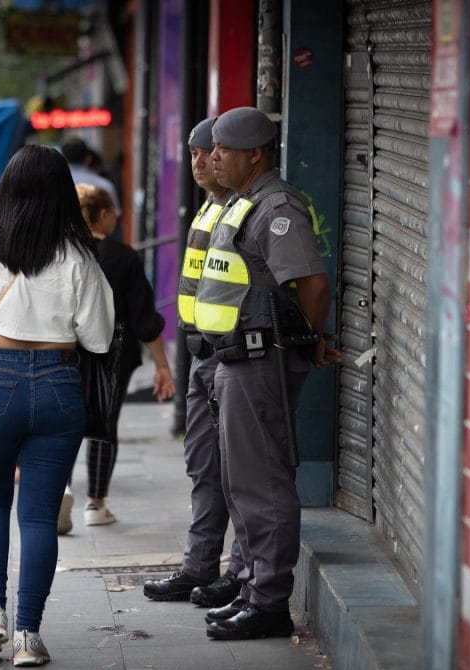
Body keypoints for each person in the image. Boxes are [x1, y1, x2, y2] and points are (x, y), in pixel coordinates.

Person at [0, 146, 114, 666]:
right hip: (60, 384)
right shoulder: (80, 256)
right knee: (39, 516)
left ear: (8, 189)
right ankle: (28, 636)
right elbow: (99, 337)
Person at [193, 107, 340, 640]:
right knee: (241, 480)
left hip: (262, 359)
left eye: (223, 150)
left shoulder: (277, 206)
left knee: (264, 482)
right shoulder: (241, 203)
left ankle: (270, 601)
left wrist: (311, 338)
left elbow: (313, 284)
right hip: (233, 359)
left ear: (254, 154)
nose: (212, 158)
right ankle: (253, 586)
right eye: (211, 149)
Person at [142, 117, 246, 609]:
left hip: (235, 359)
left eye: (210, 152)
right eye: (195, 153)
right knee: (203, 466)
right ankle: (199, 566)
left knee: (241, 473)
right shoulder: (209, 209)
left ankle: (240, 573)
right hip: (201, 357)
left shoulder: (245, 210)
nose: (202, 162)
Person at [66, 183, 175, 531]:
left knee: (64, 423)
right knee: (104, 423)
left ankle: (59, 492)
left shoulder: (65, 253)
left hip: (66, 350)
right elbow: (144, 319)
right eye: (113, 212)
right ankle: (95, 504)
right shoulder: (123, 257)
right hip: (115, 351)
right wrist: (162, 365)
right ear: (102, 215)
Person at [60, 136, 121, 217]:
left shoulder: (53, 185)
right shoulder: (104, 185)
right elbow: (115, 215)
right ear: (88, 159)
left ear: (62, 159)